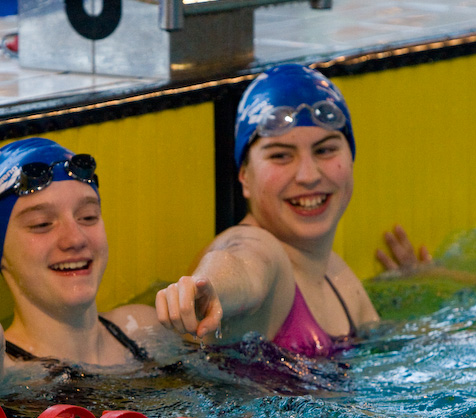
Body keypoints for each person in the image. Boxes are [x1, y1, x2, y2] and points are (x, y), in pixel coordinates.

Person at [155, 63, 427, 358]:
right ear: (244, 177)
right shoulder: (262, 248)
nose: (308, 175)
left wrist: (427, 279)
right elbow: (242, 265)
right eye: (281, 156)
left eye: (325, 150)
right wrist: (208, 287)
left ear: (351, 159)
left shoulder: (337, 275)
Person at [0, 138, 167, 388]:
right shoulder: (2, 372)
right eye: (41, 224)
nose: (75, 239)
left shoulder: (143, 328)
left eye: (88, 217)